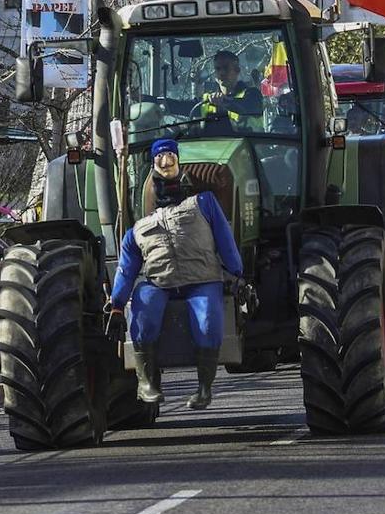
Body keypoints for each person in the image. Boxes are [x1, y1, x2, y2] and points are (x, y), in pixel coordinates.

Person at [103, 138, 251, 410]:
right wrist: (116, 305)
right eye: (159, 158)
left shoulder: (204, 204)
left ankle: (204, 387)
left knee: (207, 318)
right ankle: (147, 383)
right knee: (143, 309)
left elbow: (225, 241)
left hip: (202, 279)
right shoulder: (137, 228)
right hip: (160, 282)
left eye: (170, 156)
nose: (165, 162)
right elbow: (127, 269)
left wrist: (237, 274)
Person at [201, 50, 264, 132]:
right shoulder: (207, 100)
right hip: (212, 143)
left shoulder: (252, 94)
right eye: (218, 68)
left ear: (237, 70)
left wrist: (224, 101)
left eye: (226, 68)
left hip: (249, 143)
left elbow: (249, 107)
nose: (222, 72)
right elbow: (185, 107)